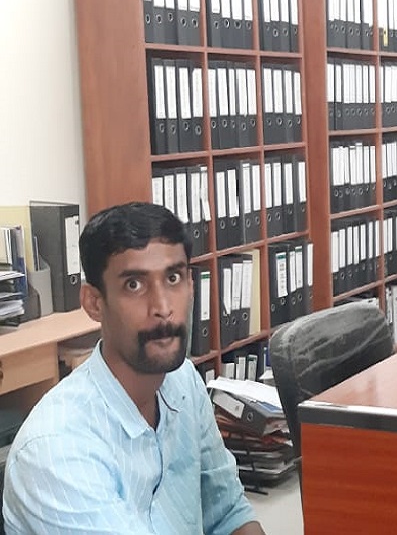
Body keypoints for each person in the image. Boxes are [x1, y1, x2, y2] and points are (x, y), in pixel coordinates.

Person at [3, 202, 265, 535]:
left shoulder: (182, 381)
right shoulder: (56, 450)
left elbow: (228, 512)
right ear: (94, 303)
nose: (163, 308)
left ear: (191, 284)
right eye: (134, 285)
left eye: (173, 278)